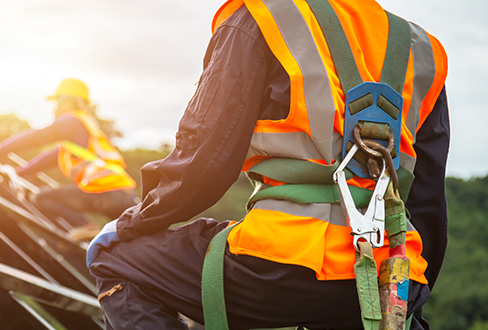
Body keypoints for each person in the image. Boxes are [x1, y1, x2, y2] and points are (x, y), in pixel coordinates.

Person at [87, 0, 449, 329]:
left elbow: (204, 163)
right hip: (394, 276)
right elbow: (428, 200)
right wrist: (410, 291)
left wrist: (134, 222)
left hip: (283, 265)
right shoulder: (424, 51)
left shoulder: (262, 17)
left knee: (118, 262)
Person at [0, 79, 138, 241]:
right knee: (128, 242)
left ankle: (86, 227)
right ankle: (96, 232)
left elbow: (35, 137)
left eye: (56, 102)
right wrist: (18, 173)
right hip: (124, 196)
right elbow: (44, 160)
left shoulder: (72, 121)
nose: (55, 108)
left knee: (43, 198)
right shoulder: (81, 134)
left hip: (106, 192)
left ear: (67, 101)